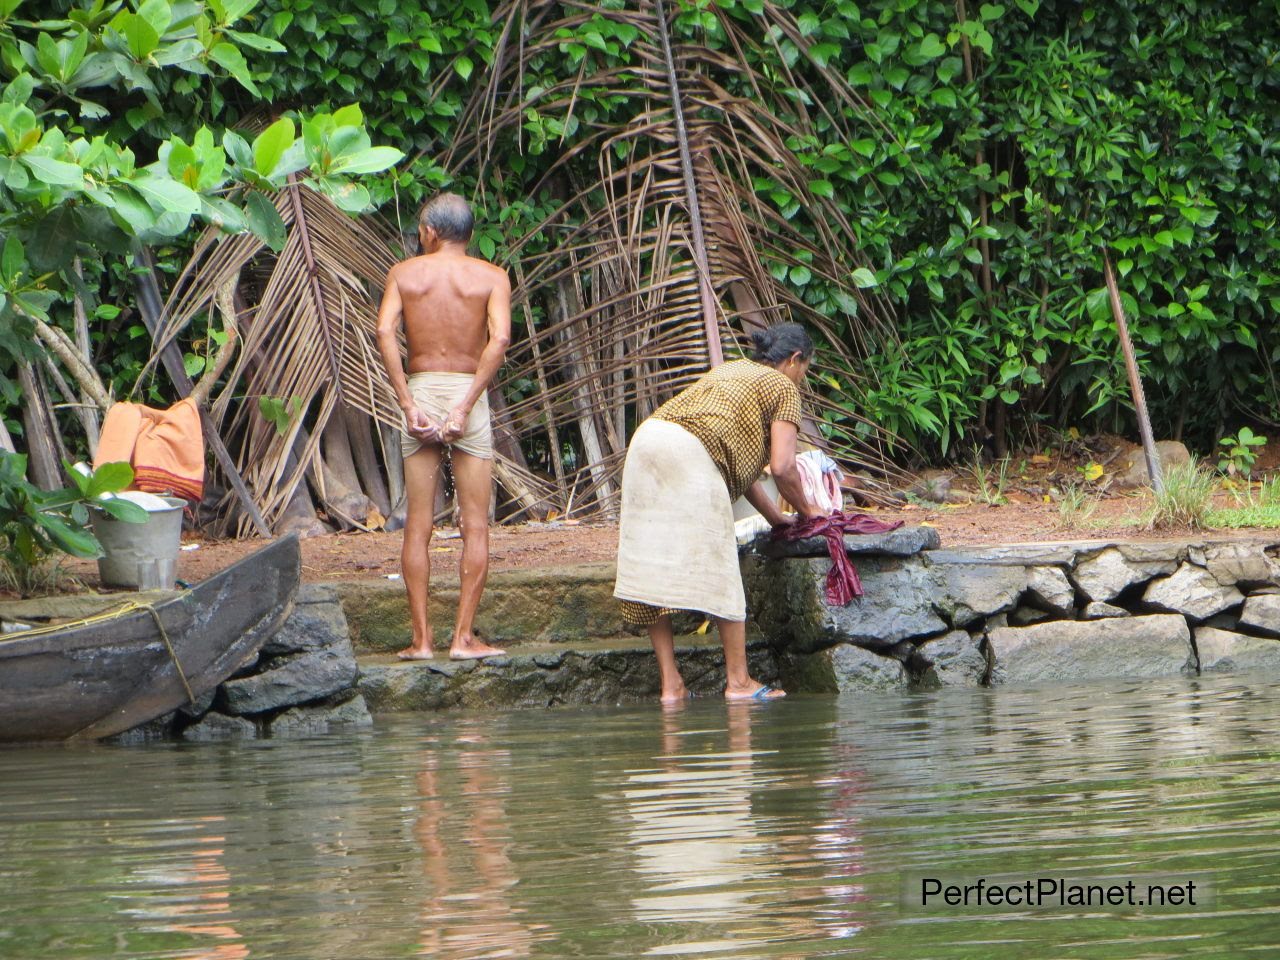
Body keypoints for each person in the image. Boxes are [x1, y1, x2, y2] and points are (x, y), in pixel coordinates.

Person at [613, 323, 828, 703]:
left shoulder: (730, 370)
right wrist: (812, 514)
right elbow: (783, 467)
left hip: (646, 443)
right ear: (794, 360)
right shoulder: (782, 387)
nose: (802, 379)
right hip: (691, 454)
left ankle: (671, 685)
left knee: (648, 568)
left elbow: (738, 467)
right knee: (721, 566)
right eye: (805, 370)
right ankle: (739, 682)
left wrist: (778, 518)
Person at [376, 193, 512, 661]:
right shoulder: (492, 276)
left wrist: (408, 401)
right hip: (465, 393)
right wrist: (466, 405)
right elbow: (501, 340)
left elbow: (383, 333)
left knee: (418, 526)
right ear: (469, 234)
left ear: (430, 232)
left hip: (422, 389)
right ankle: (463, 640)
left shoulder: (404, 273)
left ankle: (422, 642)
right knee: (475, 525)